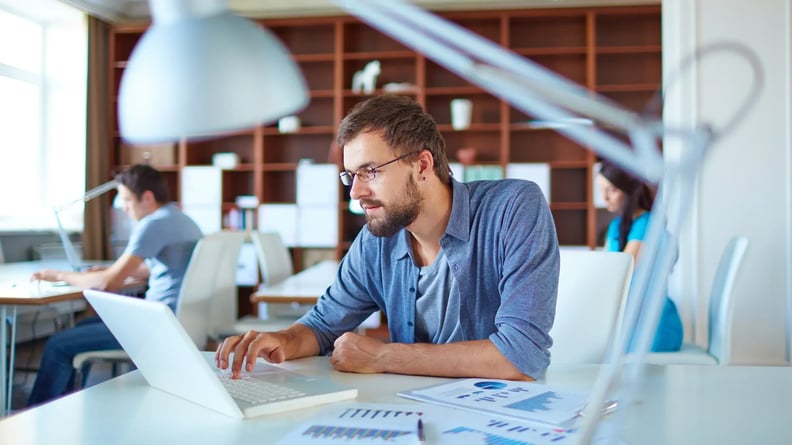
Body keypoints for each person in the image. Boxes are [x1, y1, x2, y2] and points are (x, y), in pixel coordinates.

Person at [216, 95, 559, 381]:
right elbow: (322, 326)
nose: (356, 192)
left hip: (498, 416)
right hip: (409, 413)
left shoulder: (513, 208)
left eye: (370, 171)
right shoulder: (375, 241)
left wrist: (384, 356)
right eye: (350, 176)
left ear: (422, 165)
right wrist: (282, 340)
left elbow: (521, 356)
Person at [27, 164, 203, 406]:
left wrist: (58, 275)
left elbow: (107, 284)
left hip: (158, 325)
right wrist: (112, 271)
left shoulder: (153, 224)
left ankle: (38, 414)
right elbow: (163, 266)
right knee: (86, 325)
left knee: (59, 343)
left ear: (147, 197)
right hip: (179, 318)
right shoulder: (181, 219)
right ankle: (68, 404)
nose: (125, 209)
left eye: (128, 200)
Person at [596, 159, 683, 352]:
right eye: (601, 190)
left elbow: (622, 271)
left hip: (651, 328)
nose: (604, 197)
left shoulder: (648, 223)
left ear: (628, 192)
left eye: (611, 190)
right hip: (630, 321)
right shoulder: (616, 226)